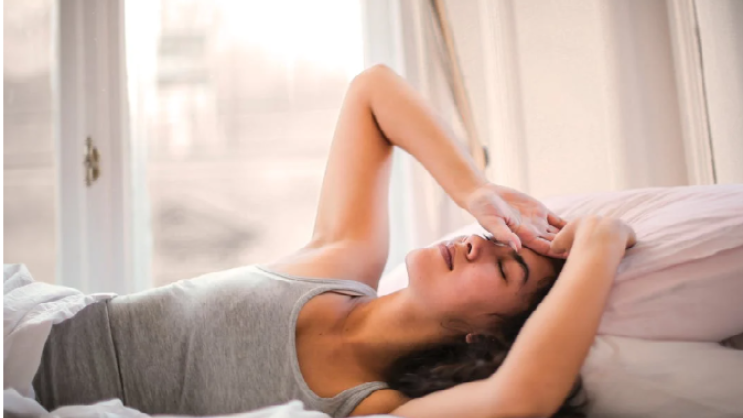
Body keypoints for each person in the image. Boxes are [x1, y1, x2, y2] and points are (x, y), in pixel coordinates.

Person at [31, 65, 635, 418]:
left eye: (505, 268)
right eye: (494, 237)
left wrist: (600, 241)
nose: (480, 243)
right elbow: (373, 90)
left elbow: (522, 396)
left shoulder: (372, 407)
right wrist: (476, 190)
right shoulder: (340, 261)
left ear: (485, 335)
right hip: (25, 330)